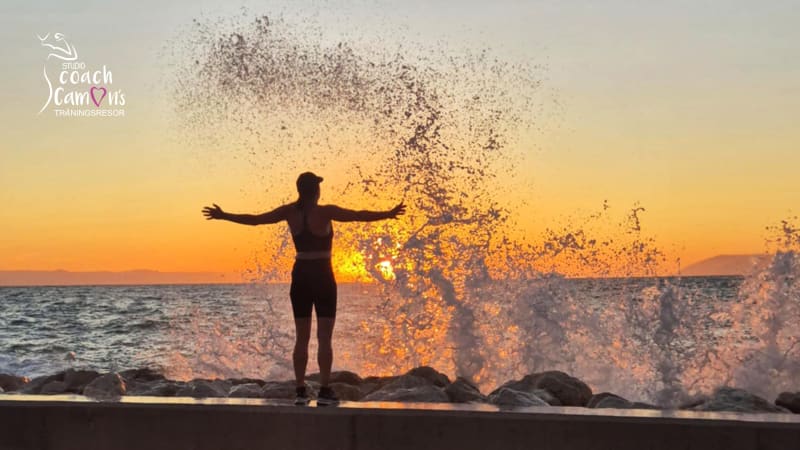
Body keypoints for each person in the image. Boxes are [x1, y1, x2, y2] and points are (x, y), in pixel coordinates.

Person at [202, 172, 406, 406]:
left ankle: (300, 390)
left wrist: (224, 215)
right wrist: (388, 214)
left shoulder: (289, 212)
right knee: (324, 338)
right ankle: (325, 390)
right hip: (322, 276)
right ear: (316, 190)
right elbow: (358, 216)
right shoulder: (326, 212)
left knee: (302, 337)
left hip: (300, 275)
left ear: (300, 190)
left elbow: (256, 220)